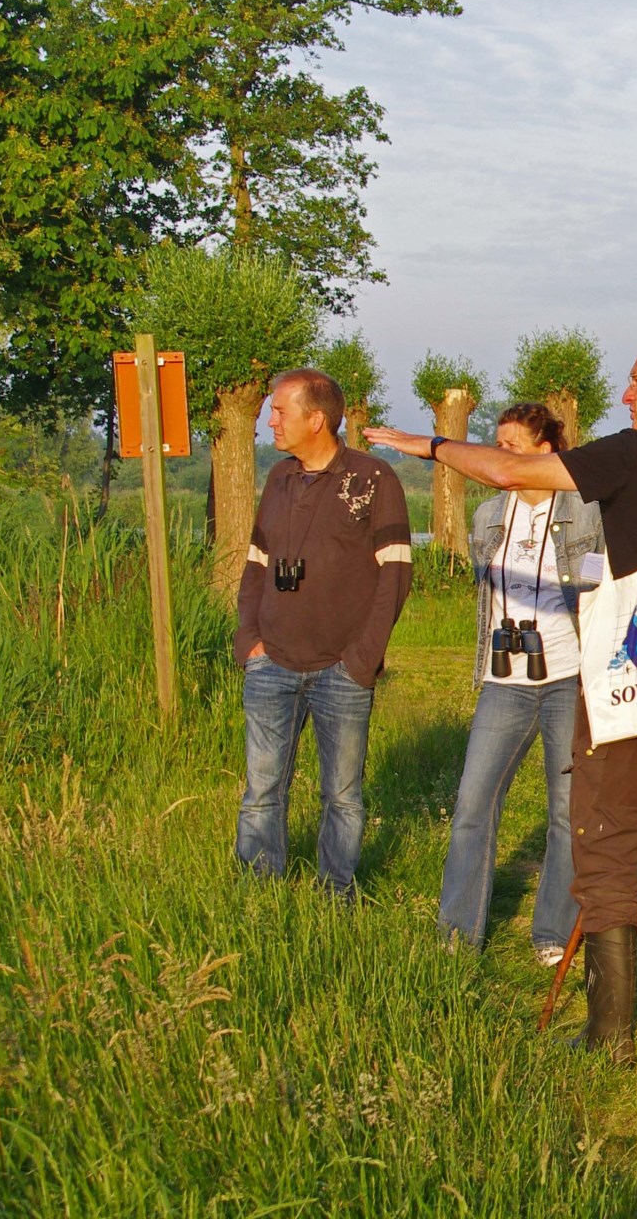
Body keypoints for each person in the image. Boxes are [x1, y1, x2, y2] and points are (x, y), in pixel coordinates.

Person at [367, 328, 637, 1071]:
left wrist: (427, 448)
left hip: (628, 670)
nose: (627, 394)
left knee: (610, 835)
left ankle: (611, 1034)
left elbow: (508, 467)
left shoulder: (635, 452)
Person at [438, 403, 604, 964]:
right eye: (497, 444)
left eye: (511, 447)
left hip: (568, 672)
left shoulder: (585, 512)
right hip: (503, 675)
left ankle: (552, 931)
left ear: (546, 451)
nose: (497, 455)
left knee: (567, 809)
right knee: (472, 803)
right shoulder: (488, 515)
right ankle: (458, 934)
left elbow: (601, 581)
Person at [235, 368, 413, 890]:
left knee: (341, 794)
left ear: (316, 419)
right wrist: (250, 641)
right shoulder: (279, 477)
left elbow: (396, 575)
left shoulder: (373, 479)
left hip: (342, 670)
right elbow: (255, 564)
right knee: (262, 790)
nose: (270, 421)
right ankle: (259, 892)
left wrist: (361, 660)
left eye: (279, 411)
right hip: (271, 663)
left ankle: (336, 894)